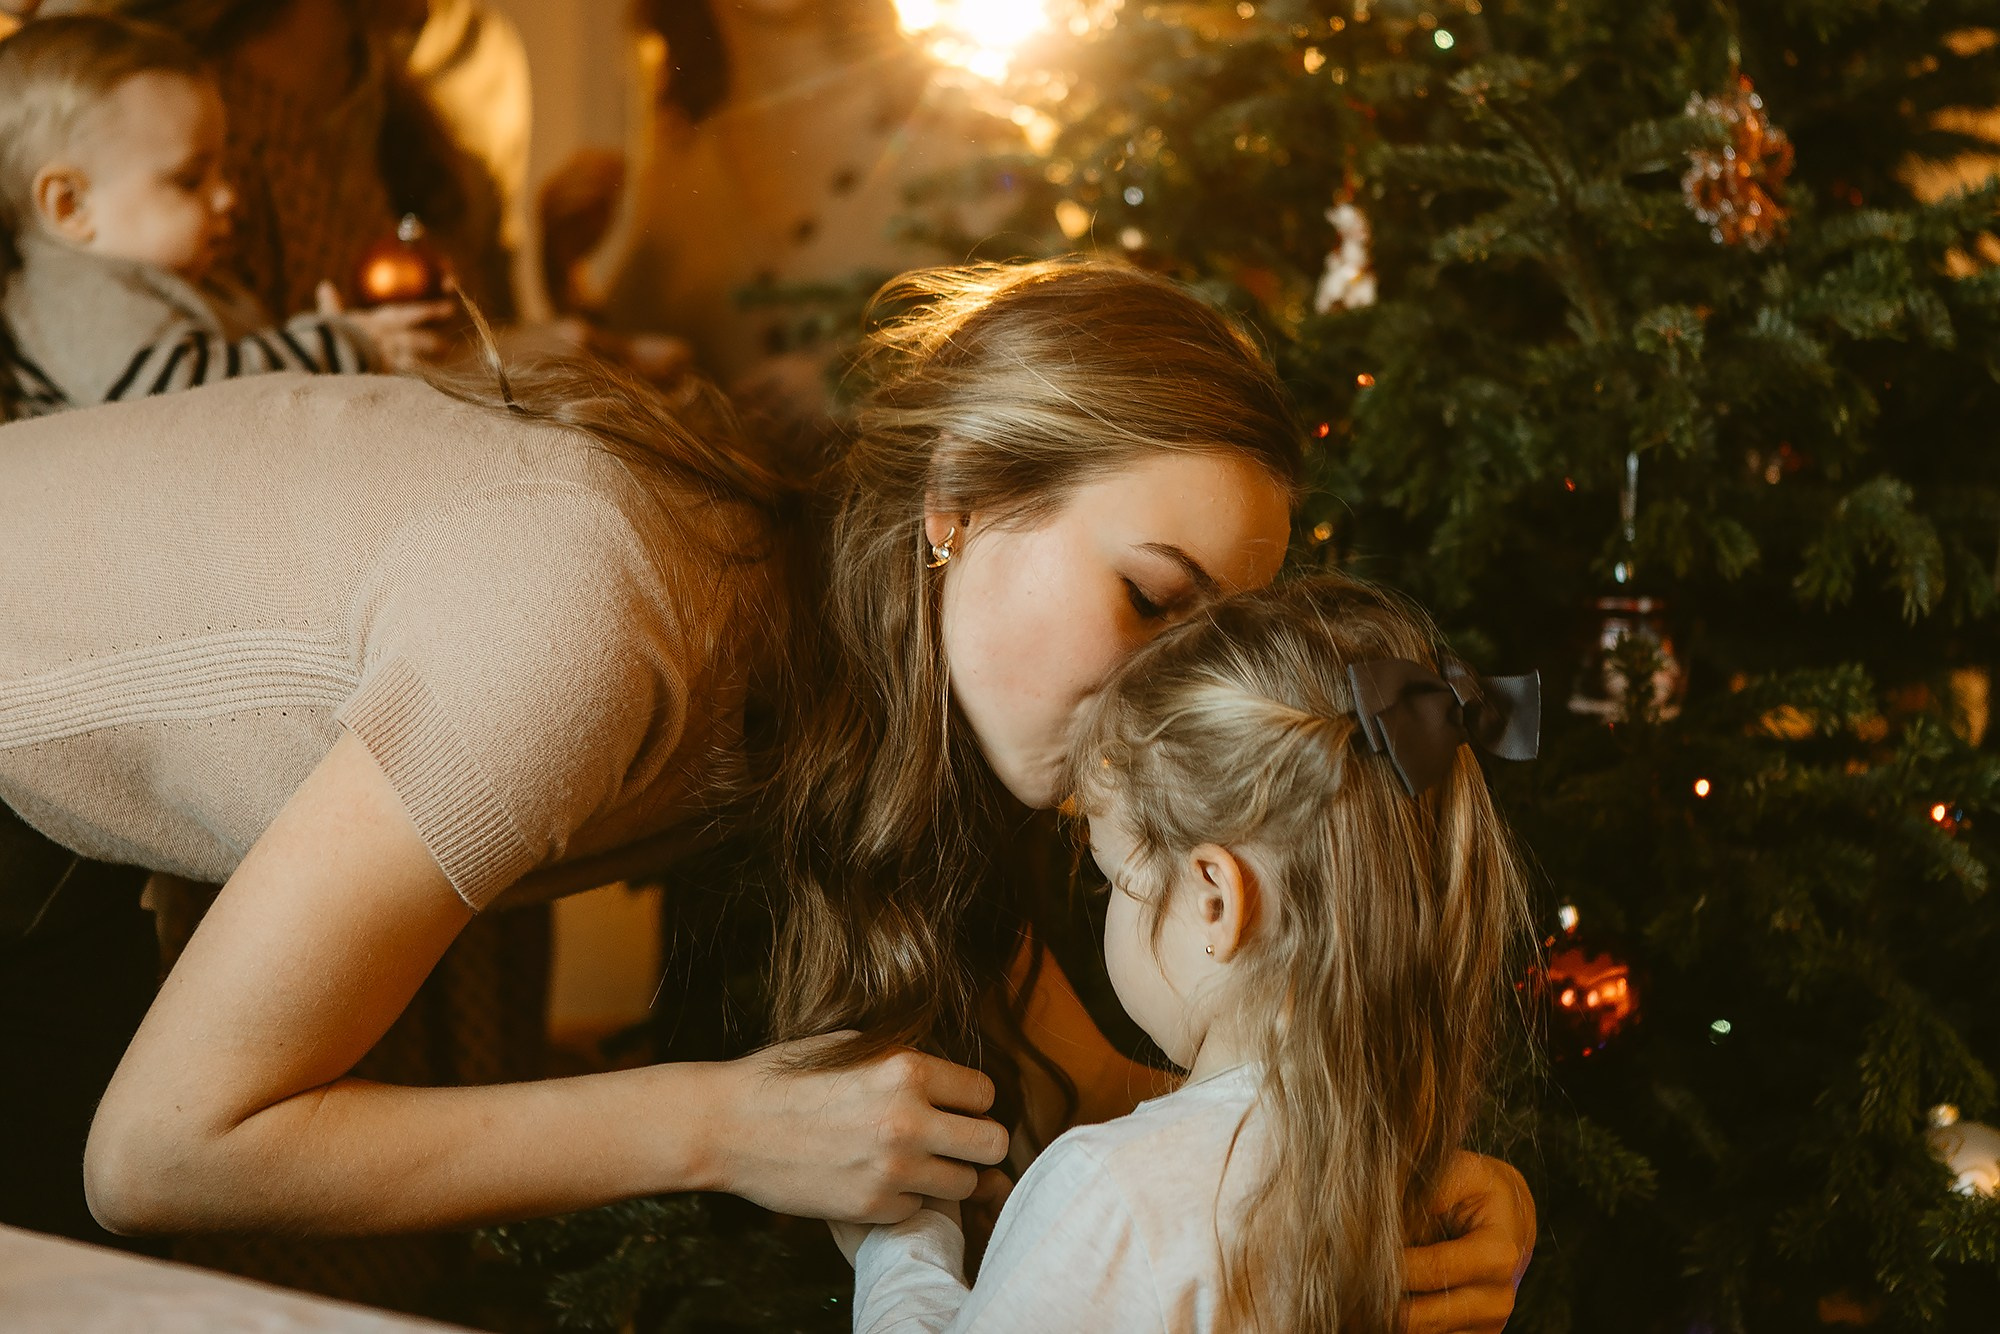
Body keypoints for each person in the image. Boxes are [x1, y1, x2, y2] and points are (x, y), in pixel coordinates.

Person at [0, 258, 1531, 1328]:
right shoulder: (588, 616)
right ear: (959, 505)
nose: (1163, 695)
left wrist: (1413, 1190)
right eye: (1148, 598)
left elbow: (1101, 1098)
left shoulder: (901, 696)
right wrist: (717, 1124)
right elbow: (160, 1151)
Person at [831, 575, 1537, 1332]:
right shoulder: (1421, 1186)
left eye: (1113, 880)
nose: (1109, 906)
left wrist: (903, 1249)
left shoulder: (1118, 1190)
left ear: (1214, 900)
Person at [0, 15, 448, 418]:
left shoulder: (189, 282)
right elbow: (184, 400)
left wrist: (321, 338)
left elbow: (245, 370)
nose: (229, 197)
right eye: (190, 180)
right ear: (70, 206)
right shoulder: (75, 294)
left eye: (223, 172)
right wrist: (338, 346)